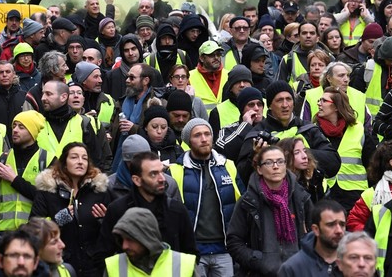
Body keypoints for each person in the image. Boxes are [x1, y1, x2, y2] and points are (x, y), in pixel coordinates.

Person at [227, 145, 314, 277]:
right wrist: (259, 261)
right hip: (261, 273)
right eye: (269, 162)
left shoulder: (300, 197)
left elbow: (316, 234)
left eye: (280, 161)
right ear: (259, 169)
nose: (275, 166)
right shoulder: (248, 201)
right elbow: (234, 241)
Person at [169, 118, 240, 276]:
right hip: (193, 250)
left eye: (207, 134)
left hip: (225, 249)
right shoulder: (175, 170)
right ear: (188, 140)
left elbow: (241, 204)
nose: (204, 139)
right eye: (197, 135)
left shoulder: (229, 166)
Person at [99, 151, 196, 263]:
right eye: (153, 174)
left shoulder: (176, 210)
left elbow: (190, 254)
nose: (162, 179)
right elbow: (103, 255)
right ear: (137, 180)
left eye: (162, 172)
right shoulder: (117, 210)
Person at [31, 141, 112, 277]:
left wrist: (105, 221)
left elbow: (113, 234)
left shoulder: (99, 191)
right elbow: (34, 228)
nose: (80, 162)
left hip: (93, 266)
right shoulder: (48, 191)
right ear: (64, 162)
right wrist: (57, 221)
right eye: (74, 157)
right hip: (60, 265)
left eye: (84, 158)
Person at [236, 81, 341, 184]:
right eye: (279, 100)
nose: (285, 105)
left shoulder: (308, 129)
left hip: (312, 197)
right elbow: (242, 176)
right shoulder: (258, 134)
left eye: (289, 99)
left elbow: (333, 163)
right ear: (270, 105)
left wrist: (299, 152)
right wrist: (255, 157)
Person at [314, 86, 377, 210]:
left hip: (356, 197)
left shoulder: (359, 130)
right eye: (319, 100)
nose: (319, 104)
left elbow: (373, 166)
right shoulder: (314, 131)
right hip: (325, 196)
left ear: (337, 106)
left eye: (324, 101)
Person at [0, 110, 53, 236]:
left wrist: (14, 180)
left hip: (36, 232)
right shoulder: (1, 159)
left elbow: (49, 201)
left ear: (32, 131)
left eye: (21, 127)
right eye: (14, 126)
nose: (15, 130)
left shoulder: (48, 159)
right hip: (4, 232)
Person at [104, 207, 198, 277]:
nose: (124, 246)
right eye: (122, 239)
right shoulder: (113, 265)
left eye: (130, 239)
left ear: (146, 237)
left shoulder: (185, 264)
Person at [278, 199, 347, 277]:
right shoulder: (293, 268)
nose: (339, 230)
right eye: (331, 225)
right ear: (316, 229)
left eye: (342, 224)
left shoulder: (357, 262)